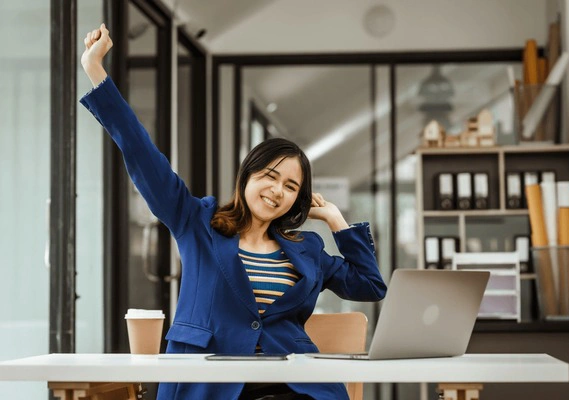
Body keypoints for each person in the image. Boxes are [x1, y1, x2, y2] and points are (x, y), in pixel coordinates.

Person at [80, 23, 387, 400]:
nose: (277, 190)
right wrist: (95, 70)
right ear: (247, 176)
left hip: (293, 386)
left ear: (299, 200)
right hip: (209, 384)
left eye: (291, 187)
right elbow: (143, 155)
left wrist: (337, 222)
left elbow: (370, 286)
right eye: (270, 177)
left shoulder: (308, 250)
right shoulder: (198, 221)